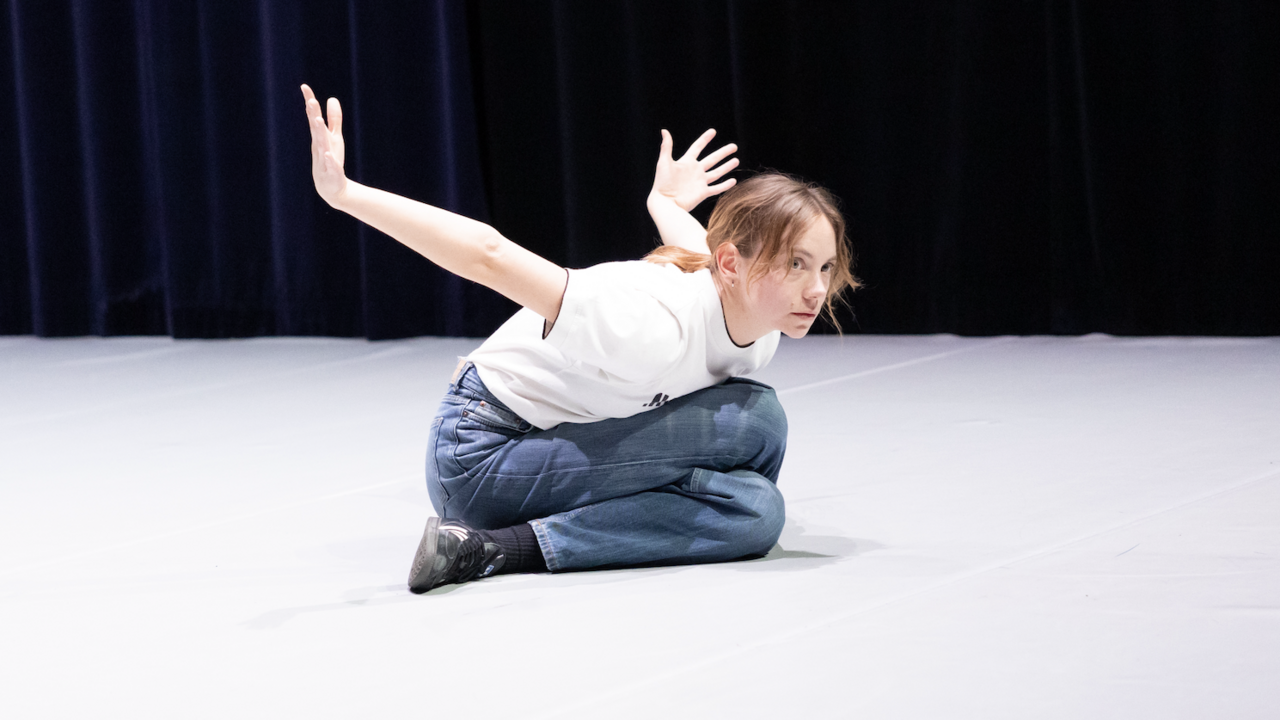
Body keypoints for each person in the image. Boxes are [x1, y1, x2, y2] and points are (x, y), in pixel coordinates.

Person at [300, 84, 858, 593]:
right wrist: (349, 195)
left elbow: (693, 238)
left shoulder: (753, 317)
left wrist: (663, 202)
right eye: (795, 265)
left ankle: (673, 516)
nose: (815, 289)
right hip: (480, 457)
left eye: (826, 267)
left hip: (558, 436)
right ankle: (491, 549)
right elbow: (487, 255)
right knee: (757, 422)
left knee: (758, 509)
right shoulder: (648, 323)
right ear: (734, 264)